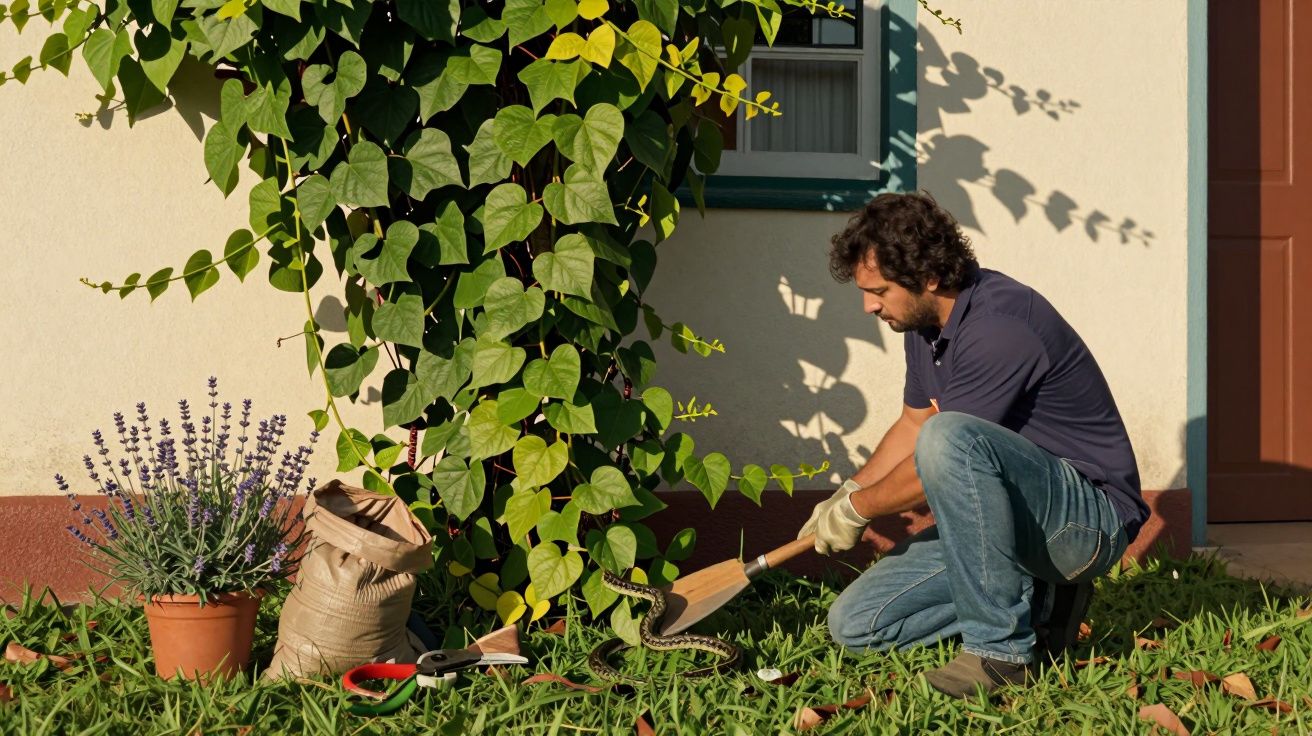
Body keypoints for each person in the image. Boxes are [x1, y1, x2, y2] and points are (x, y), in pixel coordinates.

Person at [799, 191, 1150, 699]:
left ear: (930, 277)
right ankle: (1040, 603)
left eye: (879, 290)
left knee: (952, 434)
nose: (868, 305)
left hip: (1084, 521)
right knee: (855, 625)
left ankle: (1000, 654)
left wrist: (859, 510)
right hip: (1015, 521)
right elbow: (913, 424)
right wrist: (849, 489)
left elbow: (940, 448)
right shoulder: (923, 327)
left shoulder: (1001, 325)